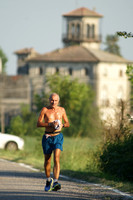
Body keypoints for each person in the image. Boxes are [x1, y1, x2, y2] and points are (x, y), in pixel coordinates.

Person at [37, 93, 69, 192]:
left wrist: (62, 125)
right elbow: (38, 123)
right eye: (52, 100)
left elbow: (67, 123)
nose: (53, 102)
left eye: (55, 100)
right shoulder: (45, 110)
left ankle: (55, 181)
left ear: (58, 101)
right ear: (49, 100)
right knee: (47, 160)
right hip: (47, 137)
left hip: (58, 137)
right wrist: (50, 124)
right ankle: (48, 180)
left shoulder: (62, 110)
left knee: (56, 158)